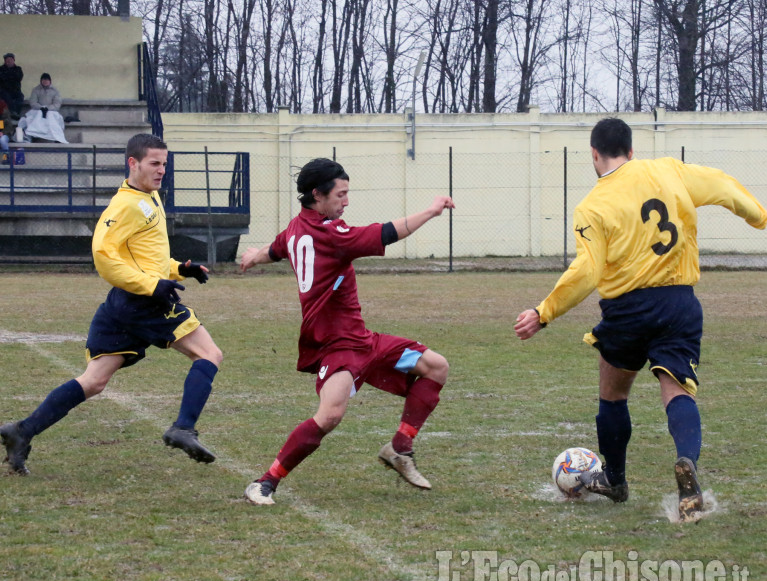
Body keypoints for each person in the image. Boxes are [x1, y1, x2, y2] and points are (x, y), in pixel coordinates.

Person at [514, 118, 767, 522]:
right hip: (679, 302)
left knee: (613, 393)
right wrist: (757, 215)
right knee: (677, 391)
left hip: (627, 311)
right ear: (631, 150)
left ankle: (615, 478)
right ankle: (686, 461)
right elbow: (721, 184)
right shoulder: (668, 169)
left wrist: (544, 312)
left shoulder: (592, 207)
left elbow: (587, 271)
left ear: (594, 154)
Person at [0, 133, 223, 475]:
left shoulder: (149, 196)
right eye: (154, 163)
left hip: (125, 303)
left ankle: (21, 432)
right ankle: (183, 428)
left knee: (93, 381)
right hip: (142, 302)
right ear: (132, 163)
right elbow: (104, 255)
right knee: (209, 355)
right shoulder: (126, 204)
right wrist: (152, 284)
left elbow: (145, 254)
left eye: (164, 163)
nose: (162, 170)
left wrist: (180, 268)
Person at [239, 158, 454, 505]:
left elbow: (276, 250)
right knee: (330, 416)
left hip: (363, 340)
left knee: (436, 366)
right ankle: (265, 482)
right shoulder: (331, 234)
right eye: (341, 194)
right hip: (336, 346)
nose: (346, 201)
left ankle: (399, 449)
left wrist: (253, 255)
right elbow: (387, 232)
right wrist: (430, 211)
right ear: (317, 195)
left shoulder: (296, 228)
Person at [19, 72, 67, 144]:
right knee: (31, 119)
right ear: (41, 81)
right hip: (37, 110)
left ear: (50, 81)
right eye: (43, 80)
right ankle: (31, 135)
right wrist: (41, 108)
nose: (45, 82)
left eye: (47, 80)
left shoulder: (55, 91)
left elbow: (57, 104)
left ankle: (57, 137)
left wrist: (48, 108)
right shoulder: (35, 90)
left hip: (51, 111)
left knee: (52, 119)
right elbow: (33, 102)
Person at [0, 52, 23, 119]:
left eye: (11, 59)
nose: (9, 61)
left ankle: (16, 113)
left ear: (13, 60)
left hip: (15, 90)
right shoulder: (1, 69)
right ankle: (13, 112)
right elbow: (3, 79)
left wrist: (8, 76)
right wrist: (11, 76)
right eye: (7, 60)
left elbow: (18, 78)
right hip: (4, 91)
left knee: (20, 97)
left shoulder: (18, 69)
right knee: (7, 97)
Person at [0, 98, 14, 164]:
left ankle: (6, 157)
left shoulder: (4, 111)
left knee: (2, 140)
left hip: (5, 134)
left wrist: (2, 132)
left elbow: (9, 126)